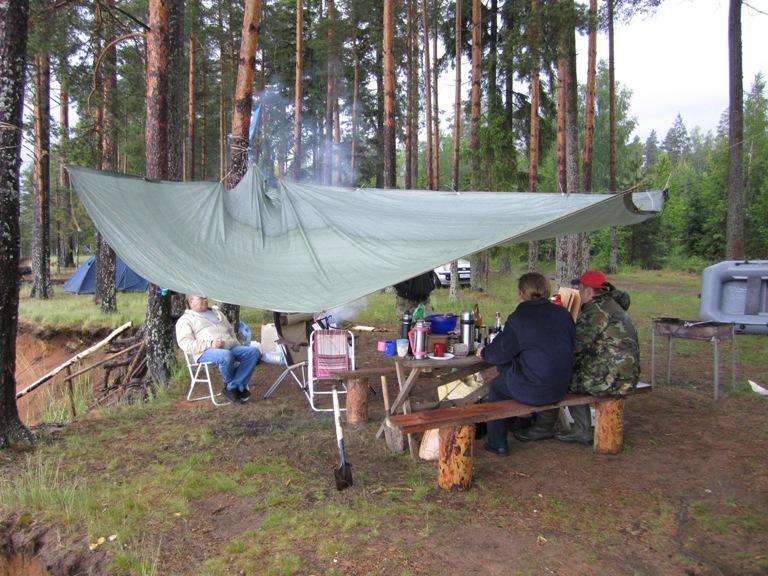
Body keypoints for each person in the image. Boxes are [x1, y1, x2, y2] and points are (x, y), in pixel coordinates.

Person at [475, 272, 576, 456]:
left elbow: (498, 354)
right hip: (562, 386)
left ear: (521, 293)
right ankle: (522, 421)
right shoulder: (563, 314)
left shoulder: (520, 318)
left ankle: (497, 443)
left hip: (537, 390)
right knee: (513, 370)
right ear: (546, 291)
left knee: (497, 388)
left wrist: (483, 352)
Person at [556, 270, 640, 445]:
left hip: (613, 378)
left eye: (580, 288)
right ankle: (580, 428)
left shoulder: (596, 310)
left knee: (565, 379)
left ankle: (580, 431)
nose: (579, 293)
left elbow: (576, 346)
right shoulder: (611, 305)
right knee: (573, 371)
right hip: (625, 374)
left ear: (588, 291)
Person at [175, 295, 260, 404]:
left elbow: (230, 331)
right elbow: (185, 344)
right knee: (226, 355)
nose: (205, 300)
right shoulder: (186, 320)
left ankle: (232, 387)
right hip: (205, 352)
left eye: (205, 298)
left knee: (253, 352)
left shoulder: (217, 313)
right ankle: (234, 387)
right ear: (191, 301)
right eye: (201, 298)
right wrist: (210, 344)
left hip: (229, 346)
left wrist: (235, 343)